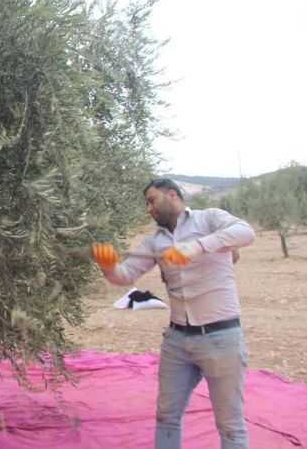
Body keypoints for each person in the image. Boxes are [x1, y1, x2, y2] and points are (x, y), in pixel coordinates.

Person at [92, 178, 255, 449]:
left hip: (222, 336)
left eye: (152, 200)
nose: (149, 208)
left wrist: (197, 246)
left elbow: (246, 233)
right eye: (147, 203)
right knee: (166, 416)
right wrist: (108, 267)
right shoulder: (154, 241)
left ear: (172, 195)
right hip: (177, 340)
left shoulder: (209, 219)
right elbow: (125, 275)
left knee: (230, 425)